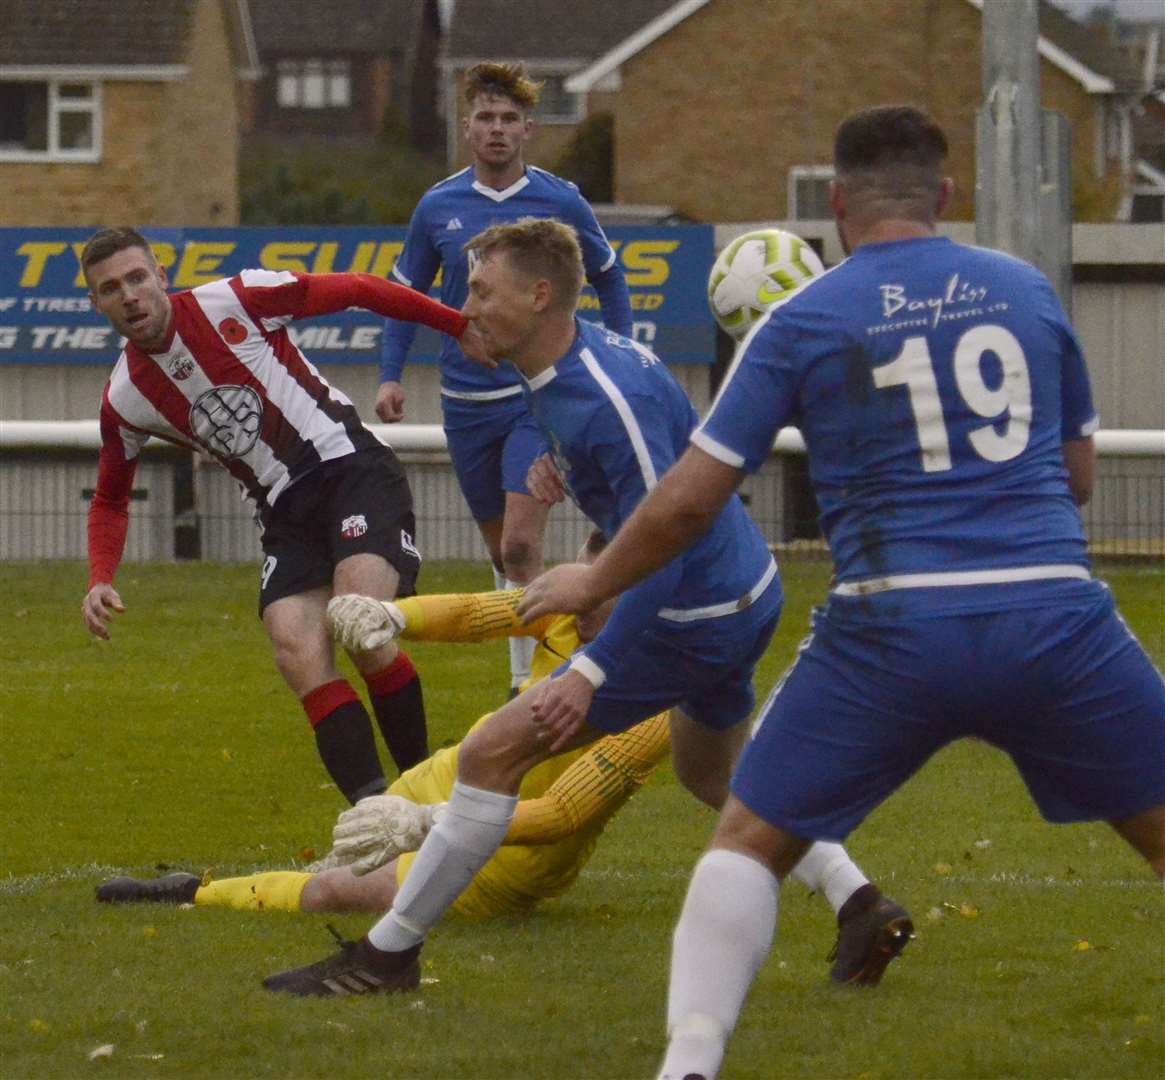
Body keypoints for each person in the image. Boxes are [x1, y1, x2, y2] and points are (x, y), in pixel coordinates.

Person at [517, 105, 1165, 1080]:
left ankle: (687, 1067)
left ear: (835, 203)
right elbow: (1074, 475)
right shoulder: (1026, 292)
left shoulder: (803, 318)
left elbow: (692, 498)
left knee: (744, 840)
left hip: (893, 625)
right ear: (945, 195)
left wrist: (594, 573)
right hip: (1051, 617)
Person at [261, 217, 910, 997]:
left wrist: (590, 669)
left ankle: (385, 957)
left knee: (489, 754)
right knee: (717, 777)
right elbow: (653, 475)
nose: (465, 306)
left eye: (481, 290)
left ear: (538, 296)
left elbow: (669, 539)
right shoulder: (573, 362)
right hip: (740, 592)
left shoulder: (605, 396)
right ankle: (860, 904)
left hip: (694, 611)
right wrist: (556, 460)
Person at [97, 552, 891, 979]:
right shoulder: (581, 617)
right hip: (457, 771)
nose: (581, 598)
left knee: (348, 889)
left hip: (509, 857)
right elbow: (487, 610)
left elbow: (564, 814)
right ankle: (853, 897)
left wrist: (424, 821)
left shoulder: (658, 701)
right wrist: (390, 614)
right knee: (341, 856)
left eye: (603, 585)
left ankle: (191, 893)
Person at [80, 226, 482, 806]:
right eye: (111, 288)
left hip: (349, 469)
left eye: (137, 278)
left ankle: (430, 798)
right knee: (295, 644)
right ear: (97, 304)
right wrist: (99, 576)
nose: (129, 295)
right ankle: (379, 819)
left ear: (161, 276)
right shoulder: (124, 399)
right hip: (282, 511)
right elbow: (111, 499)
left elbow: (358, 288)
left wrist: (458, 325)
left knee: (357, 622)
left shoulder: (235, 299)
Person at [378, 61, 633, 695]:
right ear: (467, 129)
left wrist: (622, 350)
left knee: (522, 545)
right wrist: (388, 376)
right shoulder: (438, 205)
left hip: (533, 398)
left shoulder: (560, 199)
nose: (497, 129)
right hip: (465, 403)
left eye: (509, 119)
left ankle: (537, 686)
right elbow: (404, 295)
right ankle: (542, 663)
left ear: (528, 130)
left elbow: (609, 274)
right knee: (503, 556)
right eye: (486, 118)